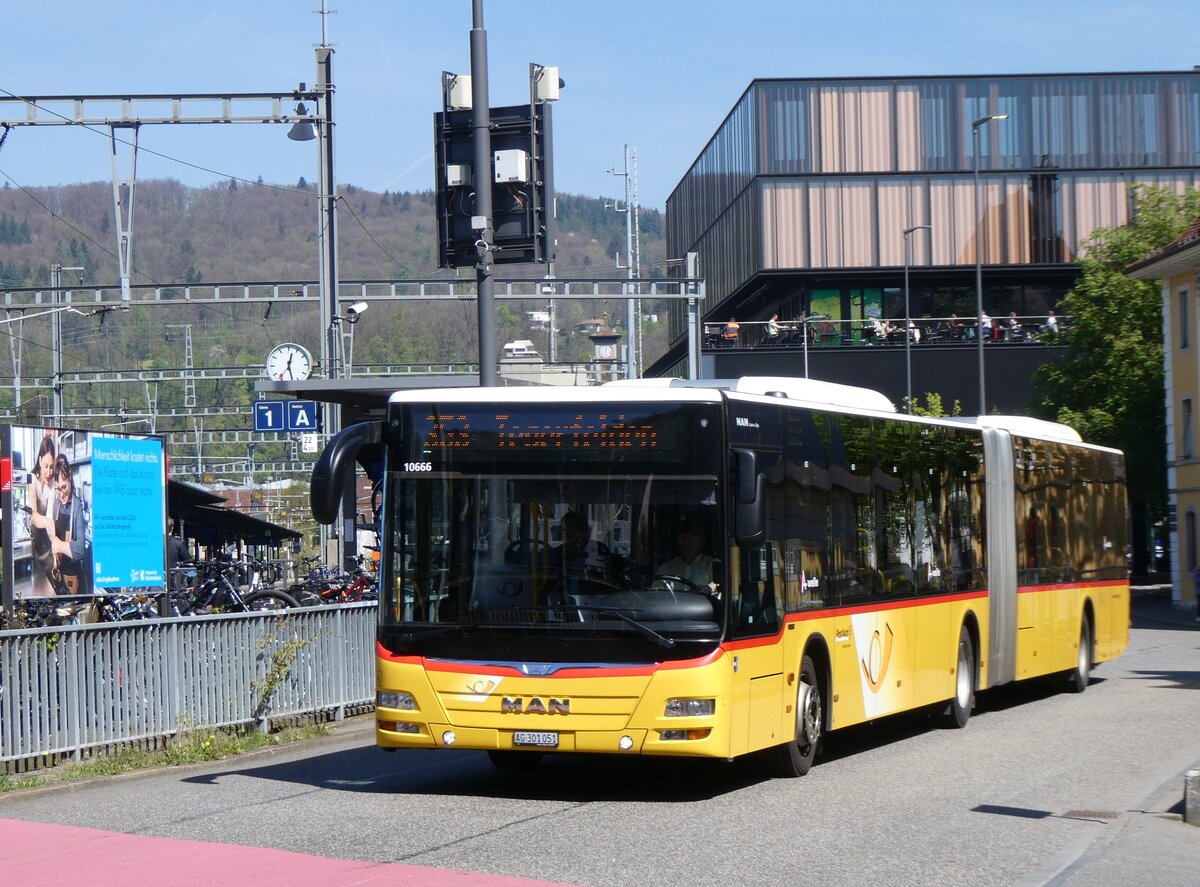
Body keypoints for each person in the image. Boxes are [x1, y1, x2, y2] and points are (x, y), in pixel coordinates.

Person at [49, 454, 90, 595]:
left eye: (64, 487)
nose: (61, 494)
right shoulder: (56, 505)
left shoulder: (77, 506)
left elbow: (80, 550)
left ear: (70, 477)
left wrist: (59, 545)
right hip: (60, 574)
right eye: (58, 488)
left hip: (74, 579)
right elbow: (53, 535)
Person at [27, 434, 59, 597]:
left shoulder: (53, 487)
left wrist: (56, 548)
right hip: (33, 551)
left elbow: (50, 516)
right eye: (46, 466)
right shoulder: (31, 480)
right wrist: (48, 522)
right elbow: (33, 515)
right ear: (39, 461)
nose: (49, 471)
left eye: (52, 467)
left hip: (47, 555)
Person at [656, 513, 716, 593]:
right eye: (683, 536)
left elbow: (720, 588)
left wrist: (708, 588)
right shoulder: (665, 569)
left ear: (702, 540)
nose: (686, 541)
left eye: (691, 537)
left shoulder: (714, 566)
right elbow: (656, 597)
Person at [166, 519, 189, 591]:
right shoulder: (178, 543)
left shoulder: (153, 543)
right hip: (176, 582)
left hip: (156, 582)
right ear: (172, 528)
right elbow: (189, 563)